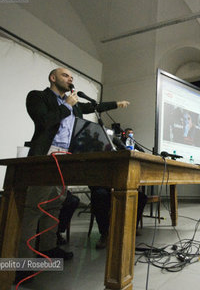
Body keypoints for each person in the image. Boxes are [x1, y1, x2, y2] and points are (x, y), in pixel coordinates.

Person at [22, 67, 129, 260]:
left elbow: (96, 106)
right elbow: (43, 121)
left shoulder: (74, 105)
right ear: (52, 78)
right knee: (34, 206)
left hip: (68, 156)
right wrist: (67, 106)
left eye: (72, 77)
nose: (70, 78)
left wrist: (117, 104)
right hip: (47, 154)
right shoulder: (38, 97)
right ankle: (22, 259)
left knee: (56, 204)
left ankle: (48, 248)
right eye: (65, 75)